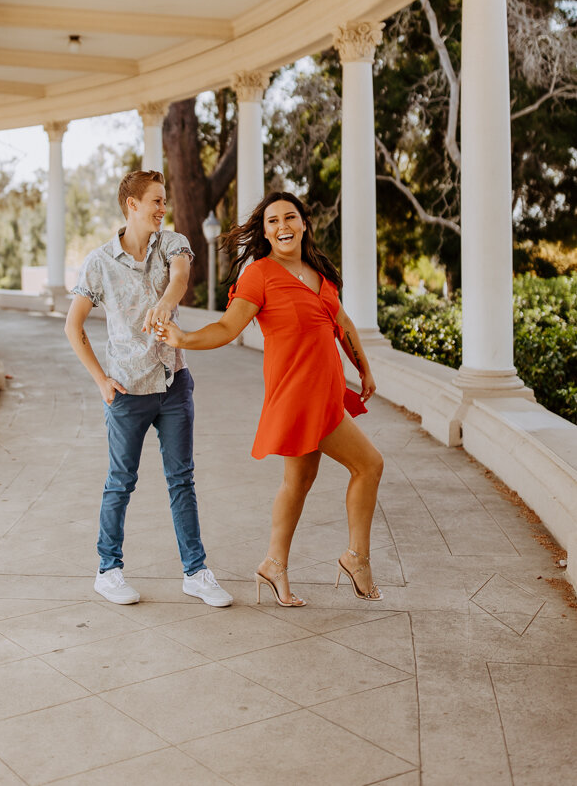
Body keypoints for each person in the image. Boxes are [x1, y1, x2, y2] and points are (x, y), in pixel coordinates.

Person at [156, 191, 383, 606]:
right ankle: (357, 558)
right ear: (265, 232)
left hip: (327, 391)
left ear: (304, 223)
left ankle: (274, 564)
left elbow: (343, 323)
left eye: (290, 218)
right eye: (273, 221)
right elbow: (227, 327)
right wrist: (184, 337)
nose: (283, 227)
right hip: (299, 396)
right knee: (368, 464)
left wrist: (364, 368)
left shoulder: (319, 271)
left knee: (298, 482)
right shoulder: (259, 274)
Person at [65, 169, 232, 608]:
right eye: (155, 201)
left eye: (164, 201)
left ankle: (196, 573)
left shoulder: (173, 242)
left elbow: (179, 278)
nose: (163, 208)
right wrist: (101, 380)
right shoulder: (100, 262)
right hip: (127, 391)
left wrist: (164, 303)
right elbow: (73, 325)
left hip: (174, 382)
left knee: (182, 480)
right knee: (121, 481)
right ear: (132, 205)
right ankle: (108, 569)